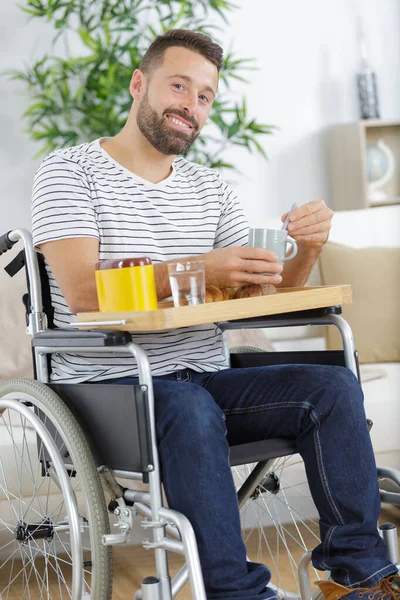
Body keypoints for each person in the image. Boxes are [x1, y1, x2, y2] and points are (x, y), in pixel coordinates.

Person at [31, 29, 399, 600]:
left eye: (204, 96)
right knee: (190, 405)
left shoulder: (212, 191)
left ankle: (360, 577)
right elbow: (84, 296)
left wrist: (306, 250)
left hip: (202, 380)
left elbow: (255, 303)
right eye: (178, 85)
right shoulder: (69, 173)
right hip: (109, 391)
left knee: (329, 387)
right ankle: (237, 592)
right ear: (139, 84)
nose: (191, 105)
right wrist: (201, 267)